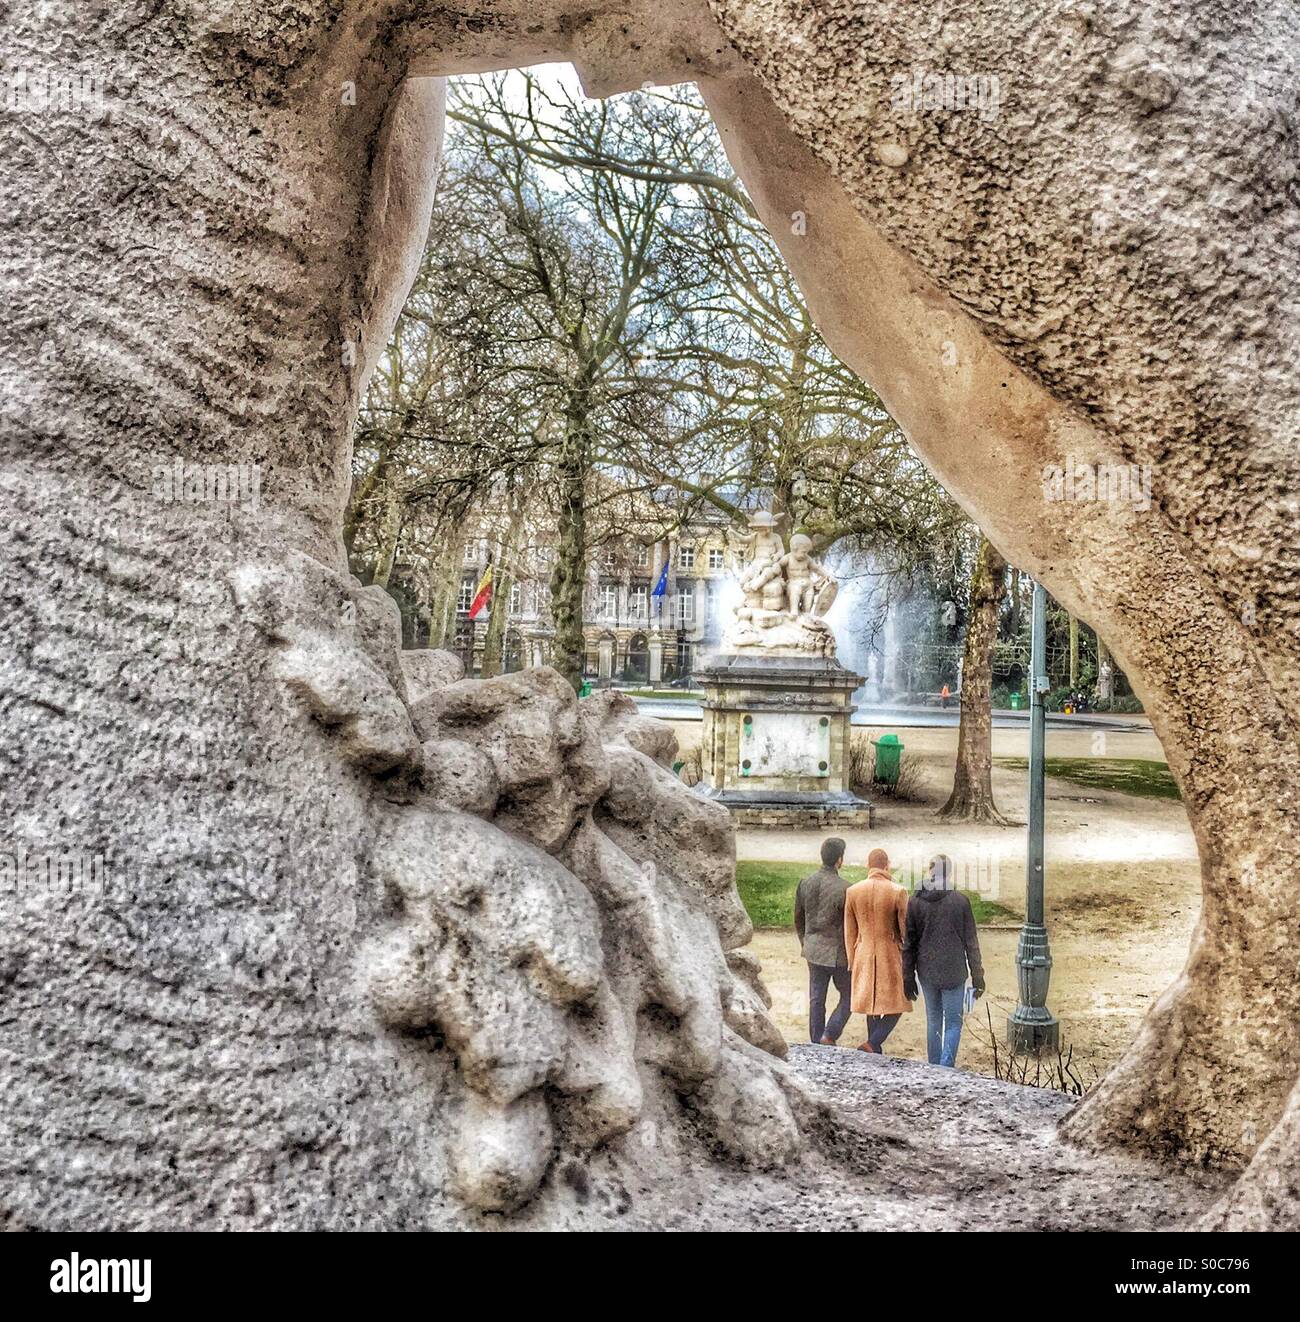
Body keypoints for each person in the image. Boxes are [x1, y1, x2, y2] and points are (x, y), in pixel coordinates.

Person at [902, 854, 986, 1068]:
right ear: (948, 873)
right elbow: (971, 942)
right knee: (953, 1022)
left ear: (930, 871)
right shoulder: (960, 901)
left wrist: (907, 977)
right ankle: (946, 1066)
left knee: (933, 1020)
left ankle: (933, 1066)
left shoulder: (916, 902)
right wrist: (978, 975)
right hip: (954, 969)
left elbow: (909, 943)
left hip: (927, 969)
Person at [843, 847, 911, 1053]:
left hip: (862, 950)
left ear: (868, 865)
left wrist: (851, 958)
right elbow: (904, 927)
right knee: (898, 1002)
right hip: (889, 951)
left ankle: (873, 1045)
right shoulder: (897, 891)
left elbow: (849, 930)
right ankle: (873, 1043)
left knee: (870, 1002)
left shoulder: (853, 891)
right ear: (887, 865)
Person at [794, 837, 853, 1045]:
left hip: (812, 947)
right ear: (839, 860)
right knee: (850, 996)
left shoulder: (805, 883)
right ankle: (830, 1033)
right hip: (837, 952)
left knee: (816, 998)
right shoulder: (845, 888)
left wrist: (805, 941)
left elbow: (798, 918)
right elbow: (849, 925)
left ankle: (816, 1040)